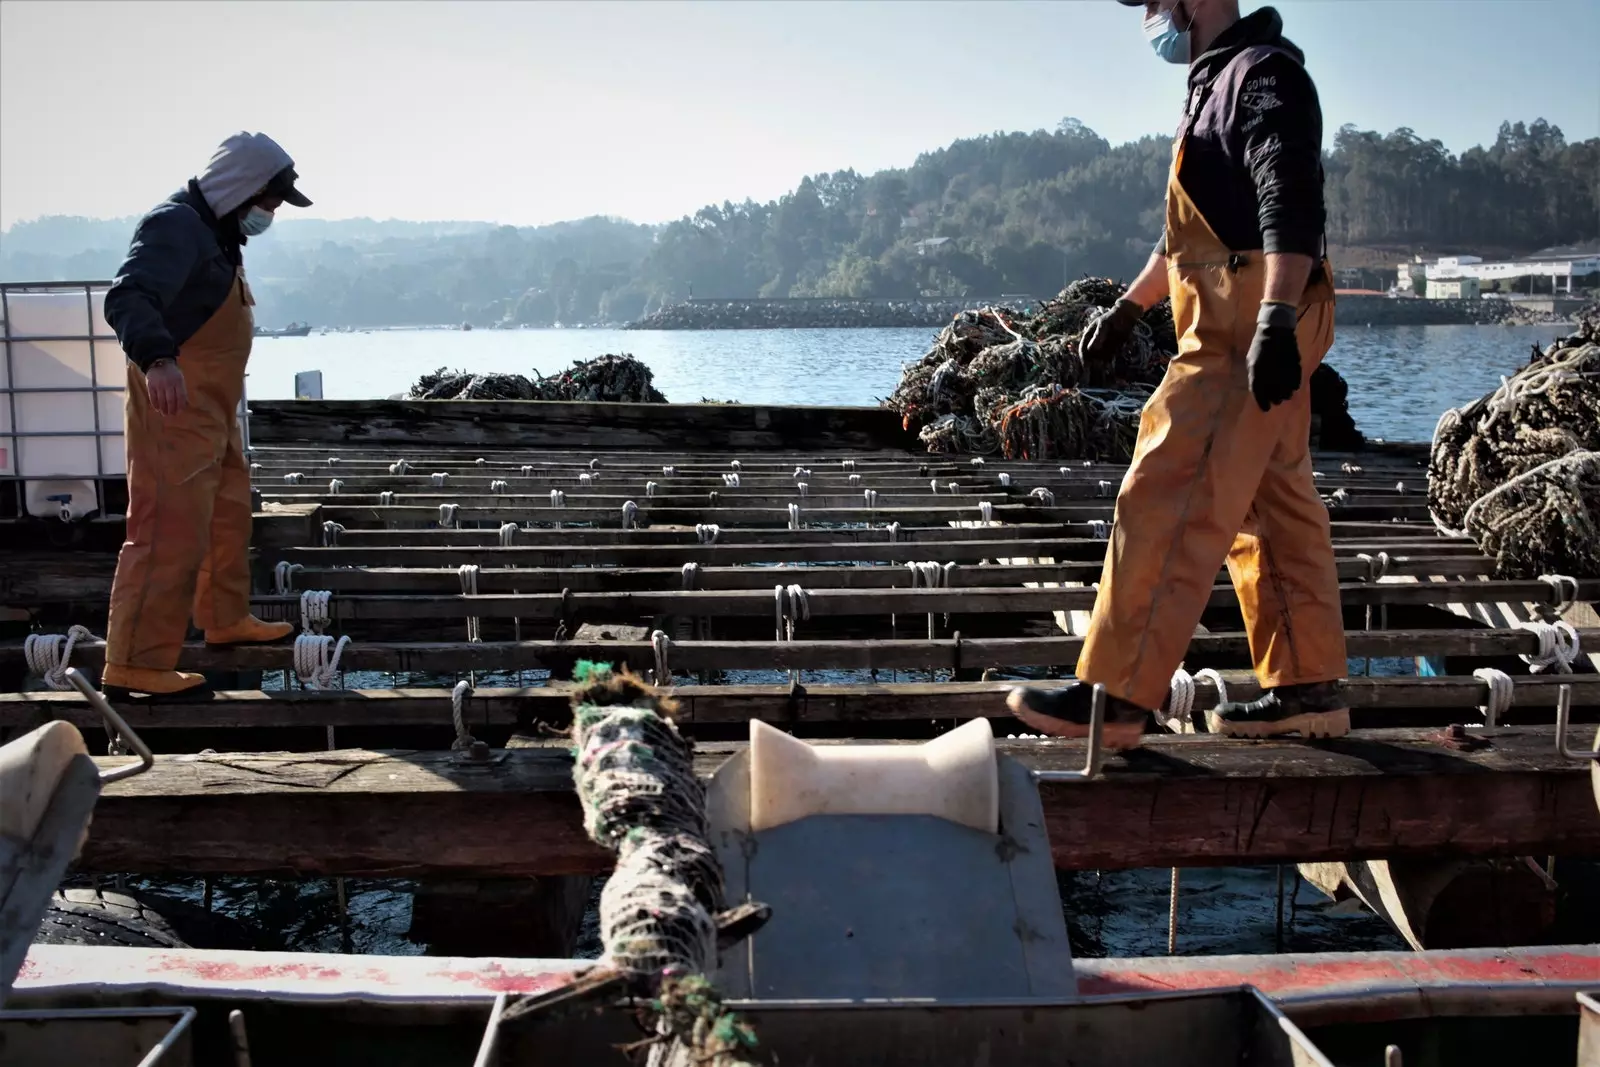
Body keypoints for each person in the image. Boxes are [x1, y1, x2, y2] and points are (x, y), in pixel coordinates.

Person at [1006, 1, 1350, 747]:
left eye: (1159, 2)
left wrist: (1275, 319)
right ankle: (1309, 687)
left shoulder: (1262, 77)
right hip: (1246, 316)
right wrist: (1129, 309)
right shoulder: (1214, 84)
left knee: (1168, 484)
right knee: (1270, 499)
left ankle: (1116, 695)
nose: (1154, 16)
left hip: (1246, 323)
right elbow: (1182, 240)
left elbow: (1288, 204)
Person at [100, 132, 313, 699]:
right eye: (268, 201)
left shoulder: (217, 236)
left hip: (213, 415)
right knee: (165, 531)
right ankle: (135, 663)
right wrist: (159, 359)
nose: (270, 213)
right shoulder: (174, 225)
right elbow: (128, 298)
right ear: (241, 189)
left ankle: (224, 617)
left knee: (226, 515)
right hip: (174, 409)